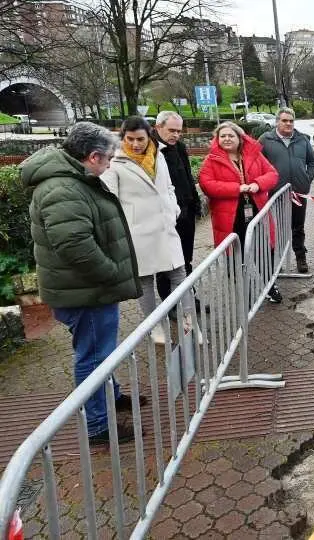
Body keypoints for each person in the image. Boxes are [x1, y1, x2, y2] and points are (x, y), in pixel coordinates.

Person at [21, 121, 141, 444]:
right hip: (85, 293)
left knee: (101, 352)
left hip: (86, 289)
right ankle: (98, 426)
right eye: (108, 158)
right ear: (92, 157)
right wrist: (113, 272)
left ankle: (111, 396)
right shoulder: (63, 188)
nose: (110, 164)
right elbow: (75, 247)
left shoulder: (72, 180)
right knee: (92, 357)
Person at [101, 116, 198, 344]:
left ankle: (189, 320)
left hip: (165, 227)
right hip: (138, 232)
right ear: (123, 137)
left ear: (148, 136)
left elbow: (168, 186)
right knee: (145, 282)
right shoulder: (114, 162)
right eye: (130, 139)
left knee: (180, 275)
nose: (135, 144)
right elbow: (109, 199)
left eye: (140, 139)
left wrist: (172, 207)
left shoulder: (159, 154)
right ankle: (154, 326)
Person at [198, 121, 283, 303]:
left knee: (264, 249)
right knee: (236, 255)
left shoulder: (254, 155)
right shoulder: (211, 160)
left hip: (257, 212)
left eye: (231, 135)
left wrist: (257, 184)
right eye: (223, 136)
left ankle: (270, 285)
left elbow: (272, 174)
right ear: (217, 139)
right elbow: (207, 185)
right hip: (229, 218)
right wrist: (236, 188)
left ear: (239, 137)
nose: (227, 139)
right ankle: (245, 288)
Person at [259, 107, 314, 273]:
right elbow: (255, 163)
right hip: (275, 194)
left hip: (299, 192)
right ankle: (276, 262)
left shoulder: (302, 139)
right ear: (277, 122)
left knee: (298, 227)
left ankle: (300, 257)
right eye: (284, 120)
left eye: (291, 121)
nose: (288, 124)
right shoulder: (266, 139)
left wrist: (307, 179)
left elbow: (313, 162)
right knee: (276, 228)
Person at [151, 111, 201, 304]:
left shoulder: (179, 146)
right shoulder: (151, 151)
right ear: (158, 128)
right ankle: (169, 303)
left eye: (179, 131)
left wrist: (195, 202)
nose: (176, 135)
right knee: (166, 262)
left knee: (185, 257)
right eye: (171, 130)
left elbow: (188, 176)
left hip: (186, 212)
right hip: (166, 216)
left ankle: (188, 295)